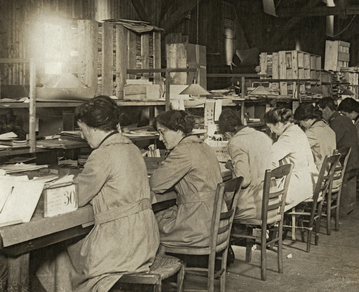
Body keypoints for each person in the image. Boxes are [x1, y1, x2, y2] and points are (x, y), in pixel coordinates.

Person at [37, 95, 160, 292]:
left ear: (92, 127)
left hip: (120, 246)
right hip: (145, 240)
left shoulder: (102, 154)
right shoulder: (132, 148)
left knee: (51, 259)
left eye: (82, 130)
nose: (83, 136)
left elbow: (76, 197)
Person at [150, 110, 223, 248]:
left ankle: (160, 267)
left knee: (147, 225)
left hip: (198, 228)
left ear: (178, 130)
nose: (160, 138)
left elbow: (155, 184)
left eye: (162, 132)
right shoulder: (204, 146)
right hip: (216, 224)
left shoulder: (183, 151)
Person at [218, 109, 273, 220]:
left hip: (254, 204)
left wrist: (231, 167)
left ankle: (222, 235)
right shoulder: (262, 136)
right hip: (272, 201)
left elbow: (243, 181)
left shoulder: (235, 142)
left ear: (227, 133)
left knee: (215, 204)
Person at [264, 107, 318, 210]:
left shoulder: (289, 136)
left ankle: (270, 222)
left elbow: (270, 156)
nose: (271, 131)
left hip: (298, 185)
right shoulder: (297, 131)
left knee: (261, 198)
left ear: (279, 124)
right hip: (307, 181)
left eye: (270, 127)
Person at [317, 97, 359, 217]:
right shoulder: (343, 118)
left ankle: (320, 206)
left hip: (347, 163)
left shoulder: (336, 121)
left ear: (326, 109)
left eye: (321, 111)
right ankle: (344, 206)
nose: (321, 115)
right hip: (353, 159)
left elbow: (331, 142)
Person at [294, 103, 336, 171]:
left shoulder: (312, 132)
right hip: (331, 169)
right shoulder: (327, 128)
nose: (301, 124)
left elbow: (297, 149)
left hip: (321, 171)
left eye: (300, 122)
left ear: (306, 119)